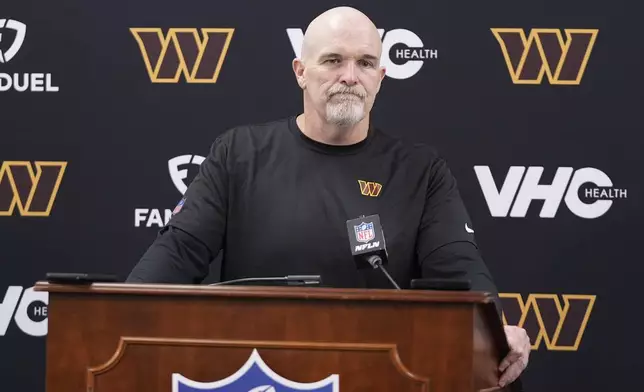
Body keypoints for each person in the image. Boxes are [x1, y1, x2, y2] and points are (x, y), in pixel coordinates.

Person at [126, 6, 530, 388]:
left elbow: (460, 268)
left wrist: (496, 331)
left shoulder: (420, 171)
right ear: (301, 72)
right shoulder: (239, 153)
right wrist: (118, 316)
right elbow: (179, 251)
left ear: (381, 77)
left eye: (366, 63)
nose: (350, 76)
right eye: (333, 60)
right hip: (257, 375)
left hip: (379, 376)